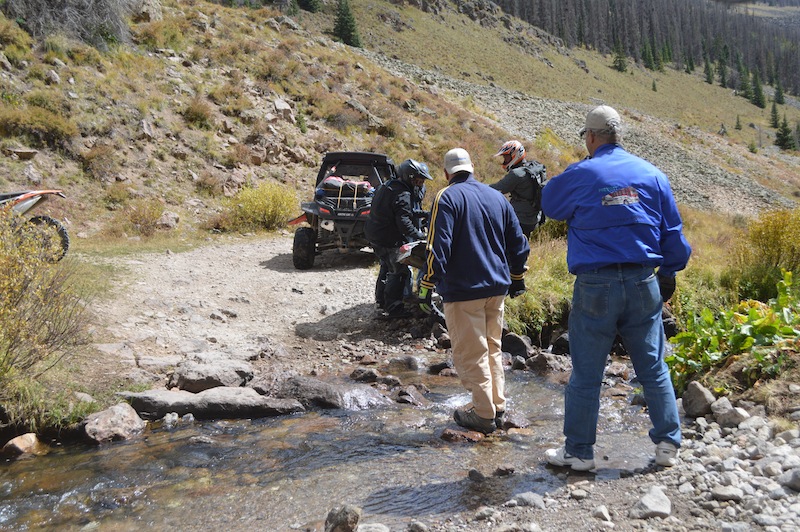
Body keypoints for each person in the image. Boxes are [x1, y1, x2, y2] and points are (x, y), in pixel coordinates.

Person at [540, 105, 692, 470]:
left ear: (591, 137)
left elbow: (550, 204)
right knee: (653, 366)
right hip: (644, 281)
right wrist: (669, 271)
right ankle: (668, 445)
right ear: (618, 135)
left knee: (587, 373)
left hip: (596, 285)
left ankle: (579, 452)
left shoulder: (583, 173)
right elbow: (673, 235)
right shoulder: (653, 175)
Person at [419, 148, 530, 434]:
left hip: (464, 289)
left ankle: (483, 414)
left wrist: (426, 283)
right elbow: (519, 243)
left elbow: (436, 246)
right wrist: (517, 277)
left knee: (472, 353)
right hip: (497, 288)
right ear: (472, 168)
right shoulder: (496, 197)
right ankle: (497, 405)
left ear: (446, 173)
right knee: (493, 348)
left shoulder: (447, 197)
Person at [365, 159, 433, 319]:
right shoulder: (402, 193)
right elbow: (403, 221)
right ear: (408, 176)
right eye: (417, 180)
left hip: (375, 235)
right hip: (387, 238)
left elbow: (402, 211)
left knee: (386, 267)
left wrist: (425, 214)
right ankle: (393, 308)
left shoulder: (389, 186)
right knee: (399, 271)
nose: (419, 184)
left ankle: (381, 302)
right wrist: (421, 236)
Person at [490, 140, 546, 236]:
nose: (505, 160)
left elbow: (496, 189)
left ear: (515, 155)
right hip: (535, 218)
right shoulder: (534, 168)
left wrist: (475, 186)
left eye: (506, 157)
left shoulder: (517, 174)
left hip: (520, 219)